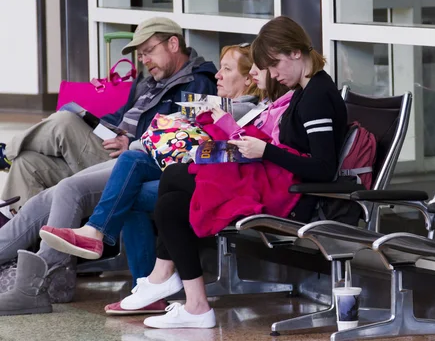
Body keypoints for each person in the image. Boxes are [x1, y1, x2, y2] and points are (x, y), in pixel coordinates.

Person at [53, 16, 347, 329]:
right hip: (274, 182)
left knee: (176, 176)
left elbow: (324, 168)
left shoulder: (316, 96)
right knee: (171, 202)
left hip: (291, 197)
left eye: (274, 65)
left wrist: (265, 151)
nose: (273, 74)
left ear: (296, 53)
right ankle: (195, 306)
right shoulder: (305, 90)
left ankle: (161, 277)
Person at [0, 44, 277, 317]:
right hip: (146, 159)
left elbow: (220, 148)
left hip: (182, 172)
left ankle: (41, 283)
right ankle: (122, 271)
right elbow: (133, 120)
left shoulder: (229, 105)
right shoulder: (153, 85)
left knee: (73, 171)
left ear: (250, 80)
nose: (218, 74)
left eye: (227, 69)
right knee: (43, 172)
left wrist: (142, 139)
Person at [0, 17, 218, 218]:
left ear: (173, 44)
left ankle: (6, 152)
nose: (144, 60)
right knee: (27, 162)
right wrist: (88, 121)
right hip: (110, 150)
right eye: (141, 55)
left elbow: (186, 139)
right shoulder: (149, 83)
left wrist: (133, 143)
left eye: (149, 51)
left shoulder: (197, 83)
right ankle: (20, 241)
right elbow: (119, 118)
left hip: (130, 163)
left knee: (63, 123)